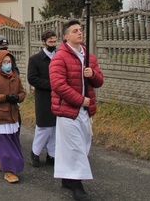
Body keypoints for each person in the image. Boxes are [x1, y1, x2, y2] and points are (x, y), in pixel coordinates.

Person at [49, 20, 104, 201]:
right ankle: (78, 187)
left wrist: (92, 74)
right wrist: (80, 100)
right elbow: (58, 84)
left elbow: (99, 81)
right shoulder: (60, 57)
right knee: (75, 147)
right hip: (68, 109)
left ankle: (67, 178)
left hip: (85, 112)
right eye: (75, 31)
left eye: (80, 30)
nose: (80, 33)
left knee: (84, 144)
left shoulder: (88, 56)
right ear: (66, 36)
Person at [0, 50, 25, 184]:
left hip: (13, 115)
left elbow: (22, 93)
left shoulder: (15, 78)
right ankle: (9, 171)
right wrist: (4, 98)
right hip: (0, 116)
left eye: (9, 62)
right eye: (5, 62)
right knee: (6, 147)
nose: (7, 65)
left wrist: (17, 98)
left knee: (13, 142)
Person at [27, 29, 58, 167]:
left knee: (56, 128)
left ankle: (52, 155)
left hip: (59, 97)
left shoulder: (59, 56)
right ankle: (35, 152)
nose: (53, 44)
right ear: (44, 42)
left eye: (54, 41)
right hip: (44, 97)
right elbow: (32, 78)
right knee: (44, 127)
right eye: (50, 41)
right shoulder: (35, 59)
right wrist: (51, 85)